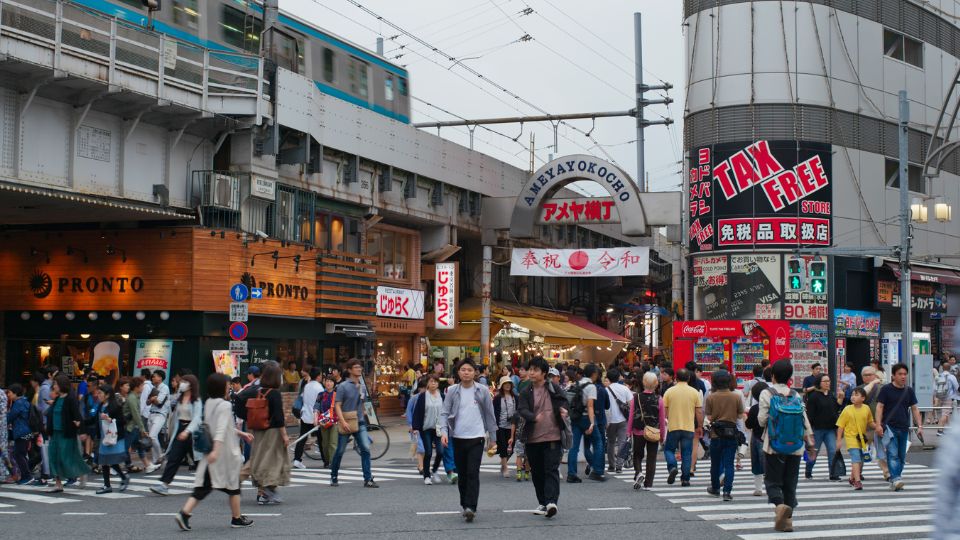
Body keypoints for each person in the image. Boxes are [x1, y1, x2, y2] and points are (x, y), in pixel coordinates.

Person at [175, 373, 254, 531]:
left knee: (205, 486)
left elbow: (219, 425)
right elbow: (220, 430)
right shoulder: (225, 405)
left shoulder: (210, 402)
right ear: (220, 387)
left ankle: (185, 513)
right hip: (223, 454)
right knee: (233, 486)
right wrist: (216, 451)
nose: (229, 387)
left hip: (212, 453)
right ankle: (236, 518)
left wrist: (241, 433)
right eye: (227, 385)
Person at [758, 361, 816, 533]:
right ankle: (788, 522)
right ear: (790, 377)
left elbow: (762, 420)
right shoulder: (795, 395)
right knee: (790, 483)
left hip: (774, 445)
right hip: (796, 446)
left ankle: (780, 505)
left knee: (772, 482)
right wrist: (810, 442)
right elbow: (804, 420)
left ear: (773, 376)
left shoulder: (767, 393)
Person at [439, 358, 497, 523]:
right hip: (457, 437)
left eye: (470, 370)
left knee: (473, 473)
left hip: (477, 437)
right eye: (463, 369)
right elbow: (444, 413)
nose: (466, 372)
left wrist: (493, 439)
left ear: (475, 373)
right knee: (462, 474)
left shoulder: (483, 390)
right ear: (458, 372)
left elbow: (489, 414)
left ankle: (471, 507)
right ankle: (465, 504)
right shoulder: (451, 390)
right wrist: (443, 432)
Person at [516, 356, 567, 519]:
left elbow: (565, 402)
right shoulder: (525, 391)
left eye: (535, 370)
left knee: (551, 469)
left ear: (544, 373)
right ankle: (543, 502)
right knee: (537, 472)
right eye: (530, 369)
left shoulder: (554, 388)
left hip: (553, 436)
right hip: (532, 437)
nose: (531, 372)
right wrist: (533, 417)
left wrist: (564, 410)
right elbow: (521, 410)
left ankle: (552, 502)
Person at [244, 361, 291, 504]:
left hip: (259, 430)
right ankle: (267, 490)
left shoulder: (259, 391)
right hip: (272, 432)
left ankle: (264, 492)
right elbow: (278, 417)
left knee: (261, 459)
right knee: (274, 461)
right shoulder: (275, 394)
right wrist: (284, 435)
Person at [330, 359, 378, 488]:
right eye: (356, 367)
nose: (359, 369)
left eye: (360, 367)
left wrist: (368, 413)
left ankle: (368, 479)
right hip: (346, 421)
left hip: (360, 421)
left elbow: (363, 402)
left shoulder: (362, 386)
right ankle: (334, 475)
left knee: (365, 449)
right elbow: (337, 405)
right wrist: (342, 421)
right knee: (340, 451)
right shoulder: (343, 386)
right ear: (350, 370)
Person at [151, 375, 203, 495]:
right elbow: (174, 415)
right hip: (180, 430)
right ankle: (164, 484)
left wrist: (187, 431)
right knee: (174, 457)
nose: (182, 383)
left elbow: (197, 418)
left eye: (185, 382)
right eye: (182, 381)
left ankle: (209, 480)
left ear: (191, 384)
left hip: (192, 432)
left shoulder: (196, 400)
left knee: (198, 460)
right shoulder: (180, 398)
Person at [875, 362, 922, 491]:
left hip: (904, 427)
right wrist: (878, 424)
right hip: (889, 428)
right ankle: (895, 478)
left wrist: (920, 426)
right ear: (893, 376)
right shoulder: (886, 389)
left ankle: (896, 479)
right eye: (900, 374)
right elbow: (879, 407)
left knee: (901, 456)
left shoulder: (909, 391)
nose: (903, 376)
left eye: (905, 374)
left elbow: (915, 409)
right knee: (893, 454)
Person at [45, 375, 89, 492]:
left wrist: (82, 431)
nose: (54, 386)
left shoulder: (70, 399)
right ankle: (58, 484)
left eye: (56, 384)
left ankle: (82, 472)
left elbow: (77, 416)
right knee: (53, 457)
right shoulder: (57, 399)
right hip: (54, 432)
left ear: (62, 385)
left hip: (66, 433)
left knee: (67, 457)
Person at [704, 370, 744, 501]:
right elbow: (740, 415)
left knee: (715, 464)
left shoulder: (711, 397)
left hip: (716, 434)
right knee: (729, 464)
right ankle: (727, 491)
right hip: (731, 434)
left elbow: (709, 417)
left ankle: (715, 488)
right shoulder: (736, 396)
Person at [662, 368, 703, 487]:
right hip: (689, 427)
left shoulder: (670, 391)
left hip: (673, 426)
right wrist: (700, 426)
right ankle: (685, 479)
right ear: (689, 378)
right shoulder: (694, 392)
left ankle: (672, 467)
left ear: (676, 378)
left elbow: (665, 411)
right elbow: (699, 412)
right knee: (686, 453)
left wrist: (667, 420)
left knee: (669, 449)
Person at [566, 364, 604, 483]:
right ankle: (597, 471)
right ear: (594, 374)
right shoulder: (591, 386)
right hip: (587, 418)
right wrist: (592, 423)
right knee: (598, 443)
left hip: (576, 418)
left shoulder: (577, 383)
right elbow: (590, 405)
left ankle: (571, 474)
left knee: (574, 447)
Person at [627, 372, 665, 490]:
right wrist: (662, 435)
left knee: (637, 454)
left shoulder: (636, 397)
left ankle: (639, 472)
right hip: (653, 431)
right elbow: (662, 419)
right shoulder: (659, 399)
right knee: (651, 457)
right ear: (656, 384)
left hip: (638, 430)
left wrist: (628, 431)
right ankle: (648, 484)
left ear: (643, 383)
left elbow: (631, 416)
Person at [804, 373, 843, 480]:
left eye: (828, 381)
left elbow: (835, 409)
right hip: (817, 429)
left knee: (832, 450)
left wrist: (840, 399)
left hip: (830, 429)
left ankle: (833, 473)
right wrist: (808, 431)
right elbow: (809, 415)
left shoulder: (830, 394)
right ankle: (808, 470)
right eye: (825, 381)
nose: (827, 383)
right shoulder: (814, 396)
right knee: (814, 452)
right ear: (819, 383)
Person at [836, 387, 874, 491]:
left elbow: (870, 422)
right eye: (852, 394)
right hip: (850, 438)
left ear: (863, 398)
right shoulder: (847, 409)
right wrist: (839, 440)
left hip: (861, 438)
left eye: (856, 395)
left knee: (860, 460)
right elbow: (840, 426)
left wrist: (878, 427)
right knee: (856, 458)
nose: (853, 397)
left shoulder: (866, 408)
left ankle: (852, 478)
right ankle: (857, 481)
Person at [94, 383, 130, 494]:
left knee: (110, 460)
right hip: (104, 437)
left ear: (107, 395)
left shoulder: (115, 407)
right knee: (106, 460)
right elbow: (95, 420)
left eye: (100, 393)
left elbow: (123, 421)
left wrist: (110, 419)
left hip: (114, 437)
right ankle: (113, 482)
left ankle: (113, 483)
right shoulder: (101, 406)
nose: (97, 395)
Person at [412, 375, 446, 485]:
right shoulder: (423, 396)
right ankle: (426, 476)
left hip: (439, 428)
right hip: (426, 428)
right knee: (429, 452)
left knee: (440, 452)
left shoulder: (442, 396)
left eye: (436, 382)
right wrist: (416, 428)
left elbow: (446, 411)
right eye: (431, 382)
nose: (433, 384)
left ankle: (434, 470)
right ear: (427, 383)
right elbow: (417, 412)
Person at [858, 365, 890, 480]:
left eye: (870, 375)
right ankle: (858, 473)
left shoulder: (883, 388)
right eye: (865, 375)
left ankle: (886, 472)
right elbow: (862, 395)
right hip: (863, 426)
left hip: (879, 425)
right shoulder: (859, 389)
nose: (867, 377)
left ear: (875, 375)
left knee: (881, 450)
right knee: (861, 449)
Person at [293, 367, 323, 469]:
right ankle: (326, 461)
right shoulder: (319, 388)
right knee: (321, 439)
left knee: (302, 438)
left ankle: (297, 459)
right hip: (315, 417)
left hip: (305, 415)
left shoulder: (307, 386)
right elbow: (320, 403)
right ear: (318, 376)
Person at [604, 368, 632, 474]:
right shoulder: (625, 389)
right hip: (623, 419)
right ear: (618, 377)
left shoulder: (606, 390)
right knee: (622, 442)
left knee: (610, 442)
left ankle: (611, 465)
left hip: (610, 420)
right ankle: (619, 465)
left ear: (608, 378)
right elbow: (631, 404)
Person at [744, 381, 769, 496]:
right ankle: (772, 487)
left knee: (757, 464)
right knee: (769, 464)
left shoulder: (754, 408)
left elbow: (749, 425)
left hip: (757, 438)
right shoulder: (772, 406)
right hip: (770, 438)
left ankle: (758, 488)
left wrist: (745, 417)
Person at [5, 384, 33, 484]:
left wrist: (4, 417)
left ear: (15, 393)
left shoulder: (18, 403)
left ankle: (27, 476)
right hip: (28, 431)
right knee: (22, 454)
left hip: (22, 432)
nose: (8, 395)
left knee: (19, 454)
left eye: (10, 393)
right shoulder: (25, 401)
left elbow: (10, 417)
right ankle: (26, 475)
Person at [121, 377, 149, 473]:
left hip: (133, 426)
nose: (143, 388)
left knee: (139, 445)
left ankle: (147, 465)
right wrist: (142, 428)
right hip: (130, 427)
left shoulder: (135, 396)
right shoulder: (132, 398)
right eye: (141, 386)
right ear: (137, 387)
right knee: (125, 447)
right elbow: (136, 414)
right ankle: (115, 466)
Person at [145, 370, 170, 474]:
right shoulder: (154, 388)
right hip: (151, 413)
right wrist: (153, 398)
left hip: (160, 414)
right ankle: (156, 461)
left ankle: (160, 456)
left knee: (152, 436)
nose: (153, 378)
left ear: (160, 377)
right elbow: (147, 402)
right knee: (151, 438)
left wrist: (153, 399)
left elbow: (159, 402)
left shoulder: (165, 387)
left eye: (154, 376)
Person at [492, 376, 516, 478]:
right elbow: (493, 412)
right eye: (505, 383)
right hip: (500, 426)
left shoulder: (516, 397)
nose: (507, 385)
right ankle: (505, 467)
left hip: (512, 426)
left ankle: (503, 463)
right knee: (502, 447)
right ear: (502, 385)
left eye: (509, 383)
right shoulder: (497, 398)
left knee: (512, 448)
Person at [935, 365, 959, 435]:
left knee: (945, 413)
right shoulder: (951, 376)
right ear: (949, 368)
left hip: (940, 397)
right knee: (945, 414)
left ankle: (947, 429)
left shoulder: (939, 376)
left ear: (942, 368)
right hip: (948, 397)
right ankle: (939, 431)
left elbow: (935, 387)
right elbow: (957, 387)